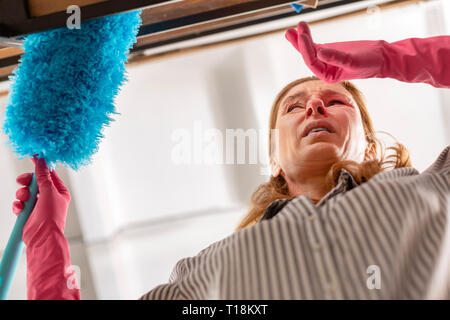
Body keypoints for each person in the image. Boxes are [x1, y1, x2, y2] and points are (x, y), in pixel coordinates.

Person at [11, 22, 450, 299]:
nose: (315, 107)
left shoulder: (435, 190)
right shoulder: (205, 272)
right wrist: (46, 237)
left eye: (335, 100)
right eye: (294, 107)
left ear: (371, 147)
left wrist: (386, 57)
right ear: (275, 159)